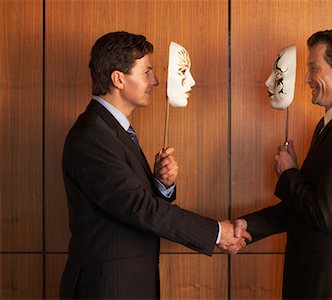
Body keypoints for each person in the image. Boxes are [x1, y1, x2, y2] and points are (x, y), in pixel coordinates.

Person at [59, 31, 249, 299]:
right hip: (106, 289)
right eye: (146, 71)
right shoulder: (92, 136)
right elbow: (139, 208)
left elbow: (129, 201)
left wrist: (161, 184)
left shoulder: (113, 130)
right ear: (118, 79)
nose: (155, 81)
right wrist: (217, 232)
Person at [233, 29, 332, 299]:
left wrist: (290, 172)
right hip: (315, 285)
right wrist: (248, 226)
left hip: (331, 289)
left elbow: (325, 214)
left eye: (314, 69)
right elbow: (305, 207)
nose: (306, 79)